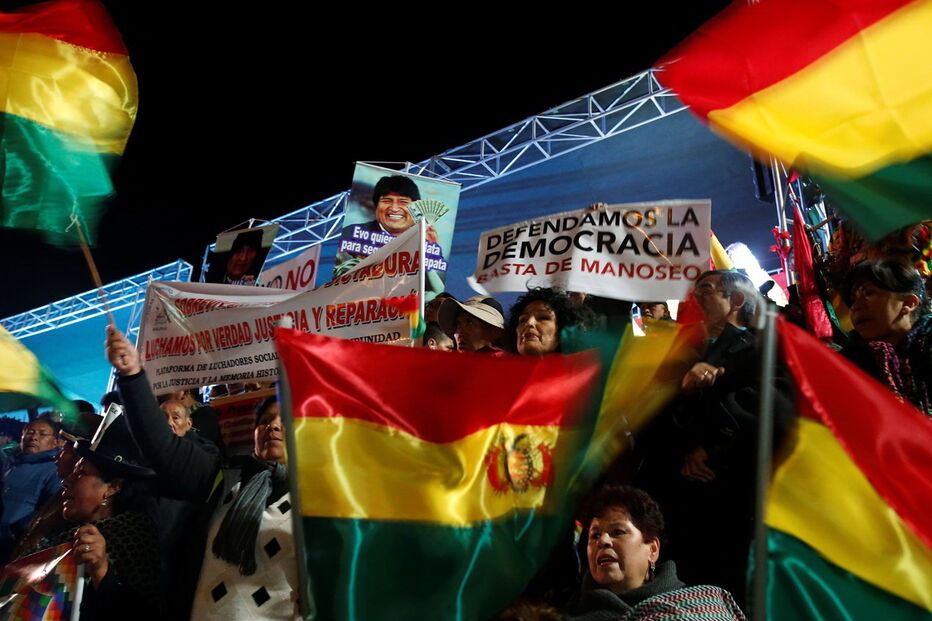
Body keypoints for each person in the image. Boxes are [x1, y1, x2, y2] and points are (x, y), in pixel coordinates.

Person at [105, 326, 298, 619]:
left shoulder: (322, 495)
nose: (273, 426)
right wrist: (132, 376)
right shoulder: (222, 476)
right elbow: (160, 445)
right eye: (266, 420)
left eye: (285, 421)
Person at [16, 415, 163, 620]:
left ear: (112, 487)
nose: (66, 482)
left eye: (81, 474)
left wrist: (102, 570)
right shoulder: (62, 531)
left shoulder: (130, 539)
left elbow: (139, 612)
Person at [566, 485, 745, 620]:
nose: (603, 541)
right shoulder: (560, 613)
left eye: (618, 532)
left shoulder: (701, 608)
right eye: (595, 535)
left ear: (652, 549)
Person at [839, 260, 931, 416]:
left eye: (869, 293)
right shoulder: (850, 364)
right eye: (853, 299)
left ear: (909, 303)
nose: (856, 306)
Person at [0, 414, 62, 563]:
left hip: (12, 544)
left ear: (55, 442)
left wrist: (16, 531)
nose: (33, 437)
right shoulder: (8, 462)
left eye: (42, 434)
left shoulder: (55, 470)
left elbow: (47, 509)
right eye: (29, 432)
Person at [507, 288, 593, 356]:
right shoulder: (499, 375)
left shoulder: (589, 375)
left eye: (543, 318)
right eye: (522, 320)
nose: (529, 322)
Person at [438, 295, 506, 355]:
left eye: (470, 323)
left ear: (493, 331)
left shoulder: (504, 365)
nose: (459, 332)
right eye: (457, 324)